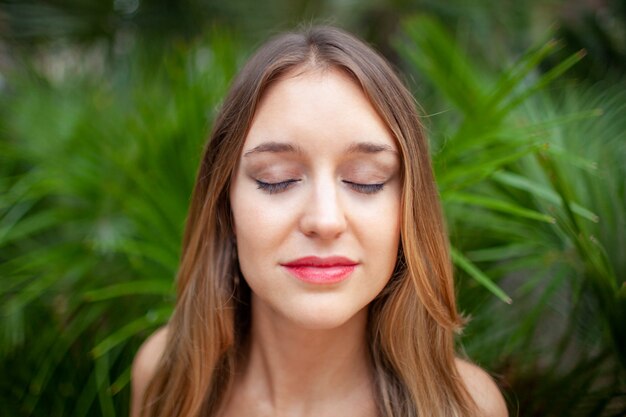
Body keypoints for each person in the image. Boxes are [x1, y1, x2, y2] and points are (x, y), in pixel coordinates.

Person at [130, 25, 508, 417]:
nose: (325, 221)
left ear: (408, 209)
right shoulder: (166, 374)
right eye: (276, 179)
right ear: (225, 205)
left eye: (366, 181)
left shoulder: (467, 407)